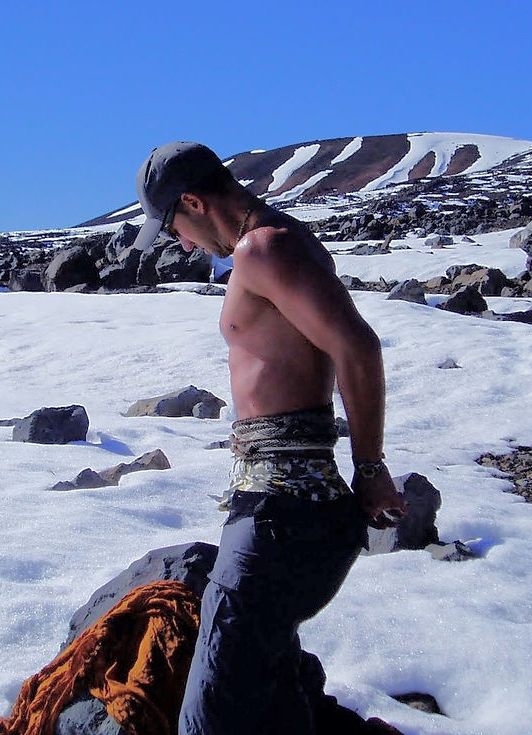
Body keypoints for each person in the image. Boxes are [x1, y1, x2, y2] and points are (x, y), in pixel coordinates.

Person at [133, 141, 408, 734]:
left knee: (212, 717)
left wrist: (370, 466)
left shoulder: (265, 249)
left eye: (175, 226)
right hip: (278, 502)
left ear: (193, 201)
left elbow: (358, 346)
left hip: (285, 510)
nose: (181, 243)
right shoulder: (275, 244)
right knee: (273, 694)